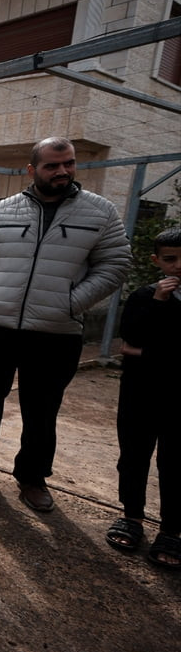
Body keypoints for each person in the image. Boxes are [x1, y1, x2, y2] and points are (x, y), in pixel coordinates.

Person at [0, 137, 131, 512]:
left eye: (69, 163)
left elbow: (115, 265)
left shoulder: (100, 212)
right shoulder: (4, 209)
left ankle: (32, 478)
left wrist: (70, 303)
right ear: (32, 170)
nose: (62, 171)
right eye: (52, 165)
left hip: (56, 332)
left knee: (42, 409)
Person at [105, 226, 180, 569]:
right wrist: (159, 302)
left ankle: (172, 529)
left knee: (176, 462)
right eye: (171, 259)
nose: (178, 266)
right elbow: (129, 340)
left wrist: (145, 353)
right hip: (140, 393)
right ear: (157, 261)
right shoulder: (144, 296)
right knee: (134, 455)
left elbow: (138, 349)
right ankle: (132, 515)